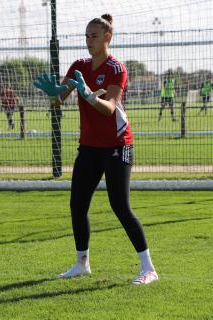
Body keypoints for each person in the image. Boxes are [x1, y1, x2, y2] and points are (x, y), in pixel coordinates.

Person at [33, 14, 158, 285]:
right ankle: (82, 264)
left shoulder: (116, 68)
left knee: (120, 206)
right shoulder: (79, 65)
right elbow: (59, 100)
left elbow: (110, 107)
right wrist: (53, 93)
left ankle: (148, 268)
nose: (89, 41)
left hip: (117, 145)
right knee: (77, 205)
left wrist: (88, 93)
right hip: (89, 146)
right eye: (86, 36)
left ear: (107, 38)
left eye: (94, 36)